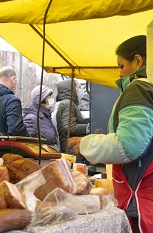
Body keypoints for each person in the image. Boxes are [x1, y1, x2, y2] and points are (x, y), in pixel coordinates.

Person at [68, 35, 151, 233]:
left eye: (121, 66)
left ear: (138, 61)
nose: (120, 73)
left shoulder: (139, 87)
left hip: (141, 197)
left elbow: (128, 145)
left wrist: (86, 144)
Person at [56, 79, 89, 160]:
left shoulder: (69, 103)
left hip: (72, 151)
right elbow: (68, 127)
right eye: (79, 87)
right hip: (72, 152)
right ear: (72, 89)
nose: (80, 90)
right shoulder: (68, 104)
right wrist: (87, 127)